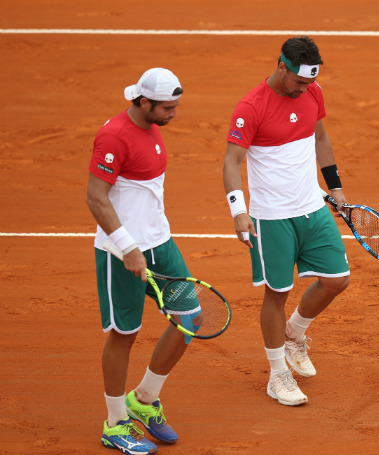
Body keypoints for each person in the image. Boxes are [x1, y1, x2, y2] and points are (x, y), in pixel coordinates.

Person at [223, 36, 351, 406]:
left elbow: (320, 138)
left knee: (337, 280)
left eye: (311, 82)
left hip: (312, 208)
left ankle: (294, 333)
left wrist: (335, 187)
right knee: (276, 294)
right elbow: (232, 161)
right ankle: (278, 374)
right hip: (272, 218)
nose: (305, 89)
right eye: (299, 81)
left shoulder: (312, 92)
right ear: (282, 67)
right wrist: (238, 211)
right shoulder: (251, 107)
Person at [86, 67, 192, 454]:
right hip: (121, 251)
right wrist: (129, 247)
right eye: (167, 108)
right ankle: (115, 424)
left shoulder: (153, 127)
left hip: (160, 244)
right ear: (144, 102)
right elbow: (96, 197)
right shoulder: (114, 135)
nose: (173, 114)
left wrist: (150, 242)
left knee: (190, 318)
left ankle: (144, 399)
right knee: (125, 334)